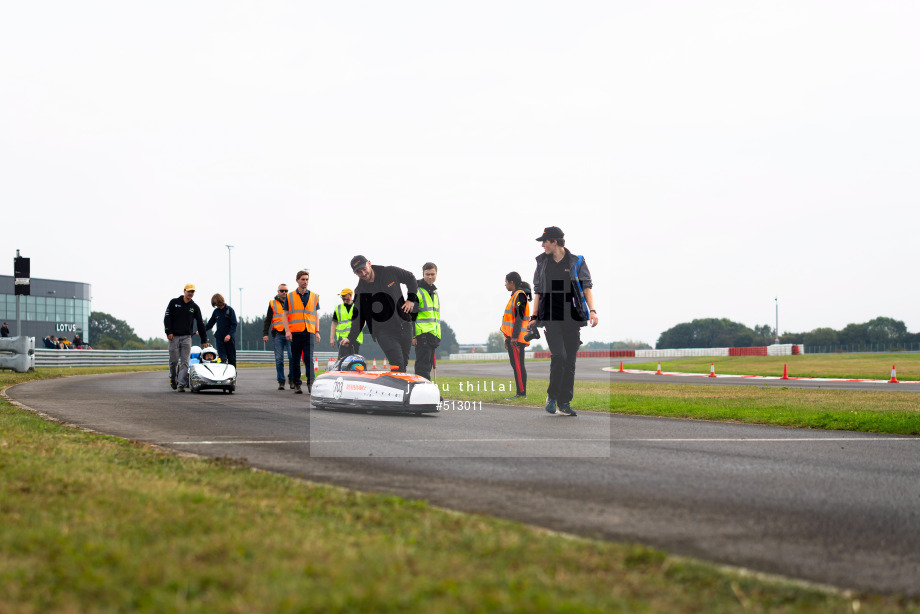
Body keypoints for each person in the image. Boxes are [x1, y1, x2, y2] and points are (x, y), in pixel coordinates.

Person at [530, 227, 598, 416]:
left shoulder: (576, 262)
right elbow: (538, 292)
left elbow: (586, 288)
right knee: (559, 356)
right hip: (551, 316)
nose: (542, 246)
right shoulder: (542, 263)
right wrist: (534, 316)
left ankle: (564, 402)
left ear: (555, 242)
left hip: (573, 317)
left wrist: (592, 311)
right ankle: (552, 396)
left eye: (545, 242)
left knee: (570, 360)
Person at [341, 255, 417, 372]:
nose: (363, 273)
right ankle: (398, 388)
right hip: (384, 332)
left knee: (403, 364)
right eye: (359, 272)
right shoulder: (360, 291)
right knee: (397, 363)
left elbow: (410, 278)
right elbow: (358, 318)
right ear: (355, 273)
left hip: (404, 325)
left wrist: (411, 298)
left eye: (364, 269)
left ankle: (398, 388)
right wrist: (350, 338)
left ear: (369, 263)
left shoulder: (389, 272)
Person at [164, 283, 209, 392]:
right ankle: (172, 378)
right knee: (174, 361)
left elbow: (200, 324)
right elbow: (167, 318)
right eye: (189, 291)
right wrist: (168, 332)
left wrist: (203, 339)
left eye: (192, 292)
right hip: (173, 337)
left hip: (187, 337)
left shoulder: (195, 307)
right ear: (184, 291)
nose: (190, 293)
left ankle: (181, 385)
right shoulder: (174, 302)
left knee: (185, 362)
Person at [284, 270, 320, 394]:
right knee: (295, 359)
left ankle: (311, 383)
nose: (305, 282)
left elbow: (316, 315)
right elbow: (285, 315)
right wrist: (287, 331)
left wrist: (317, 331)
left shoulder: (314, 296)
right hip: (295, 332)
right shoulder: (290, 296)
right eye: (303, 279)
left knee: (309, 359)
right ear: (297, 280)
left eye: (307, 279)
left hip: (309, 332)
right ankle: (297, 383)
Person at [501, 272, 531, 399]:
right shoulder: (515, 295)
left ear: (512, 282)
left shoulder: (519, 295)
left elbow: (519, 318)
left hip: (517, 339)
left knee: (518, 365)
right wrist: (507, 338)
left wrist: (513, 337)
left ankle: (521, 393)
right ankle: (520, 392)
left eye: (506, 282)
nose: (505, 284)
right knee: (516, 365)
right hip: (512, 338)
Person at [262, 283, 295, 390]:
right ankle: (281, 381)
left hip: (290, 333)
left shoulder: (292, 302)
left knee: (292, 357)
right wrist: (265, 334)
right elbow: (268, 319)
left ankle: (291, 378)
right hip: (278, 334)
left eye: (286, 291)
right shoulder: (272, 303)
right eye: (282, 291)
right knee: (279, 359)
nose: (284, 293)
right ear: (278, 292)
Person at [413, 262, 440, 381]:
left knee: (428, 367)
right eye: (427, 274)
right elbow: (410, 316)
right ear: (423, 274)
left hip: (432, 336)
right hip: (422, 335)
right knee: (422, 368)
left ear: (436, 274)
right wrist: (413, 336)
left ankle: (427, 391)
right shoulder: (416, 291)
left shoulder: (434, 292)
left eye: (432, 274)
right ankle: (422, 393)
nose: (430, 277)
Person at [206, 293, 238, 366]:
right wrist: (201, 330)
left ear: (220, 301)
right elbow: (210, 324)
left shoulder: (230, 310)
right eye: (215, 305)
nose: (216, 306)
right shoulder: (216, 312)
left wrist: (229, 335)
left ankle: (233, 375)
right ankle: (222, 376)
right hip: (219, 338)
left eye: (216, 304)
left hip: (229, 338)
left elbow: (234, 324)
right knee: (222, 358)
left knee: (231, 358)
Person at [331, 288, 362, 358]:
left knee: (354, 360)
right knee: (343, 359)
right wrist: (332, 338)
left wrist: (356, 331)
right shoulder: (338, 308)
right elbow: (334, 324)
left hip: (355, 338)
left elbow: (363, 322)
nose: (342, 297)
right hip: (342, 338)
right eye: (341, 296)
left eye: (344, 295)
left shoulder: (357, 306)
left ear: (350, 295)